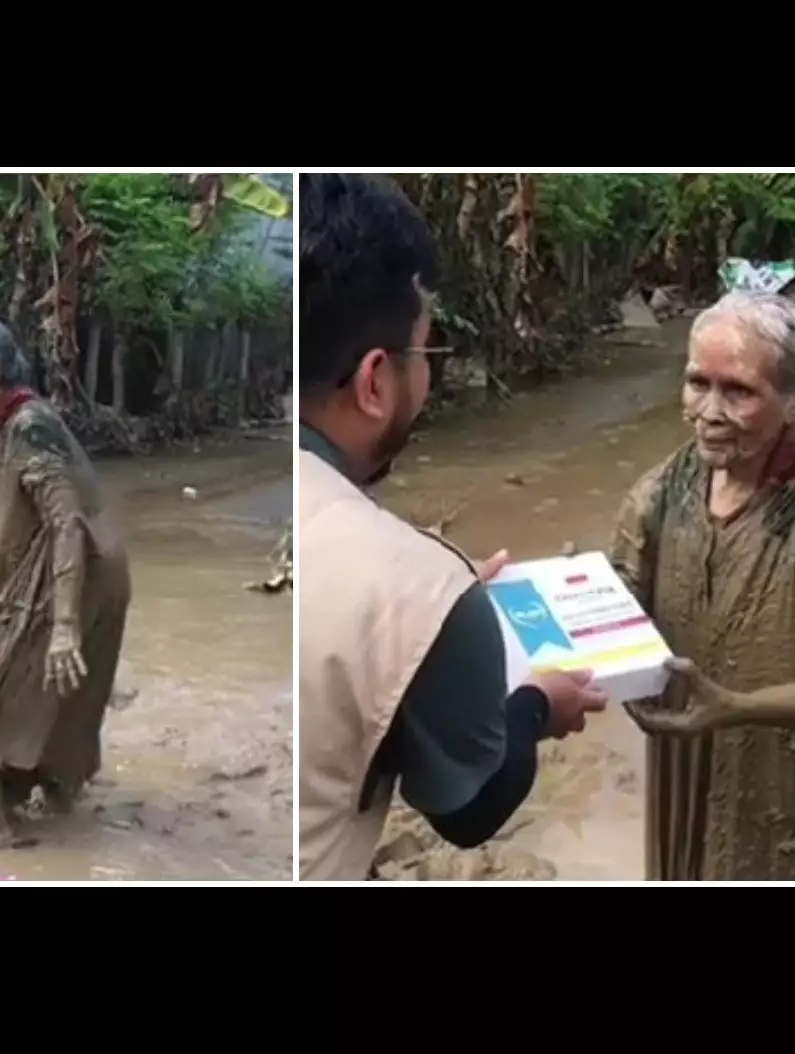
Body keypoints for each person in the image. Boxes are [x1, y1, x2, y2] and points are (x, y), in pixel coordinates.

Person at [298, 173, 608, 882]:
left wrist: (439, 603)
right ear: (375, 381)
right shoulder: (420, 586)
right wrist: (534, 705)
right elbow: (465, 812)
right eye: (427, 354)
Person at [610, 290, 795, 880]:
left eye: (739, 391)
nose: (708, 410)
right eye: (697, 382)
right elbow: (623, 598)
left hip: (789, 796)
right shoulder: (659, 491)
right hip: (681, 774)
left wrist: (736, 707)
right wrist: (576, 601)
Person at [0, 316, 132, 847]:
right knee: (61, 691)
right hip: (89, 575)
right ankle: (60, 799)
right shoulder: (13, 425)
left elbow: (64, 521)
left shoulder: (29, 427)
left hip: (73, 578)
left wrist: (64, 625)